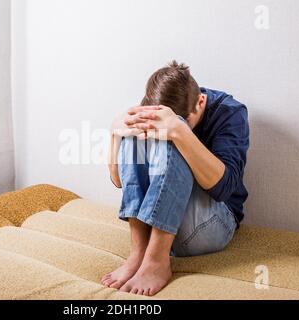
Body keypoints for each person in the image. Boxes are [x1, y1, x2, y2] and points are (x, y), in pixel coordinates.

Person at [101, 61, 249, 296]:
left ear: (201, 102)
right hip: (153, 222)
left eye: (188, 119)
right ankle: (138, 254)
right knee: (135, 128)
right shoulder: (149, 109)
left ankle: (157, 260)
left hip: (211, 224)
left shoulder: (230, 112)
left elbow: (225, 188)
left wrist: (179, 131)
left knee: (173, 130)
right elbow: (120, 182)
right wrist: (115, 134)